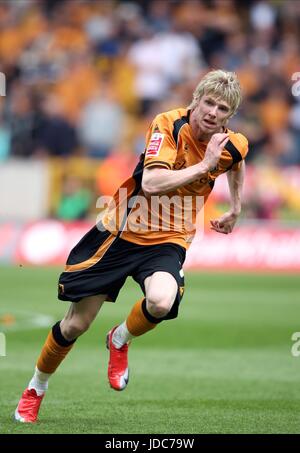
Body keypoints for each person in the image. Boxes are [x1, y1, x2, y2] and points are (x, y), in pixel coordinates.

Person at [14, 70, 248, 423]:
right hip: (122, 231)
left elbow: (236, 163)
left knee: (161, 301)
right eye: (209, 103)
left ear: (229, 116)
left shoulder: (231, 143)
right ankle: (36, 388)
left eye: (223, 108)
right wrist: (205, 165)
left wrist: (235, 207)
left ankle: (120, 338)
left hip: (167, 240)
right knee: (76, 325)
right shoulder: (168, 125)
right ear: (196, 101)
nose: (213, 112)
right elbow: (152, 182)